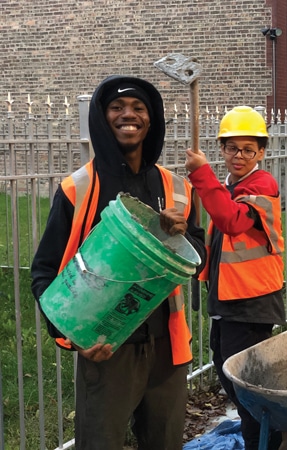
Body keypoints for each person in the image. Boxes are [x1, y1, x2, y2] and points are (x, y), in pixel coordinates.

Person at [31, 75, 207, 450]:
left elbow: (198, 255)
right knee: (100, 442)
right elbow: (44, 271)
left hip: (167, 346)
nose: (128, 115)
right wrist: (71, 336)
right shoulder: (77, 188)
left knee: (165, 442)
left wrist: (183, 236)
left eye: (138, 108)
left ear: (151, 119)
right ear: (102, 117)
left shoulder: (175, 188)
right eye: (117, 107)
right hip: (107, 348)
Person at [183, 106, 286, 450]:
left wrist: (202, 175)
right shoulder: (229, 185)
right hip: (228, 299)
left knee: (245, 385)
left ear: (261, 152)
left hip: (253, 302)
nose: (239, 155)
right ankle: (273, 432)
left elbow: (231, 221)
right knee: (227, 370)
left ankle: (268, 440)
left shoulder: (262, 185)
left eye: (247, 149)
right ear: (223, 149)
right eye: (232, 148)